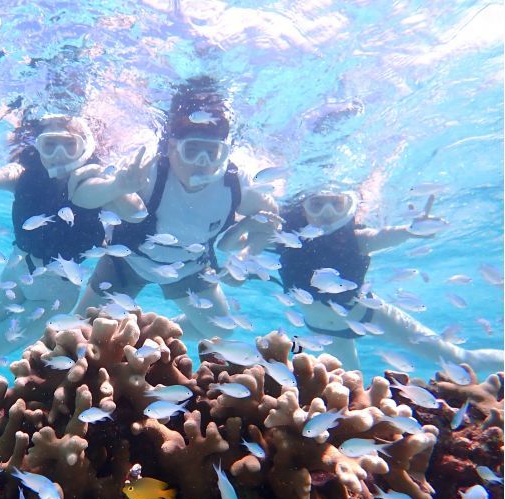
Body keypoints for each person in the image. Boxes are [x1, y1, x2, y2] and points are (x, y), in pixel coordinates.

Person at [73, 77, 279, 338]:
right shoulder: (147, 172)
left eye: (212, 153)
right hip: (128, 260)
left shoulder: (235, 186)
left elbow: (271, 216)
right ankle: (133, 334)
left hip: (190, 266)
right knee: (79, 330)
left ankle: (148, 334)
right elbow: (82, 196)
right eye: (192, 150)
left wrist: (247, 256)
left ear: (224, 153)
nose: (202, 162)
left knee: (220, 332)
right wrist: (117, 186)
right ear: (171, 148)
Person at [0, 113, 144, 357]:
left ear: (86, 146)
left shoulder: (98, 182)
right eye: (49, 145)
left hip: (55, 292)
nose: (59, 154)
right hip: (16, 268)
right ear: (37, 146)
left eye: (69, 144)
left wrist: (121, 187)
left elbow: (135, 213)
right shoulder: (25, 174)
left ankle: (54, 357)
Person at [254, 186, 504, 373]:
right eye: (317, 204)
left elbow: (383, 235)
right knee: (350, 392)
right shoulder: (286, 241)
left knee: (462, 360)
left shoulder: (356, 239)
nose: (327, 212)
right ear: (303, 208)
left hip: (370, 315)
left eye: (336, 203)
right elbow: (241, 245)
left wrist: (412, 231)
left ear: (348, 207)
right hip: (327, 334)